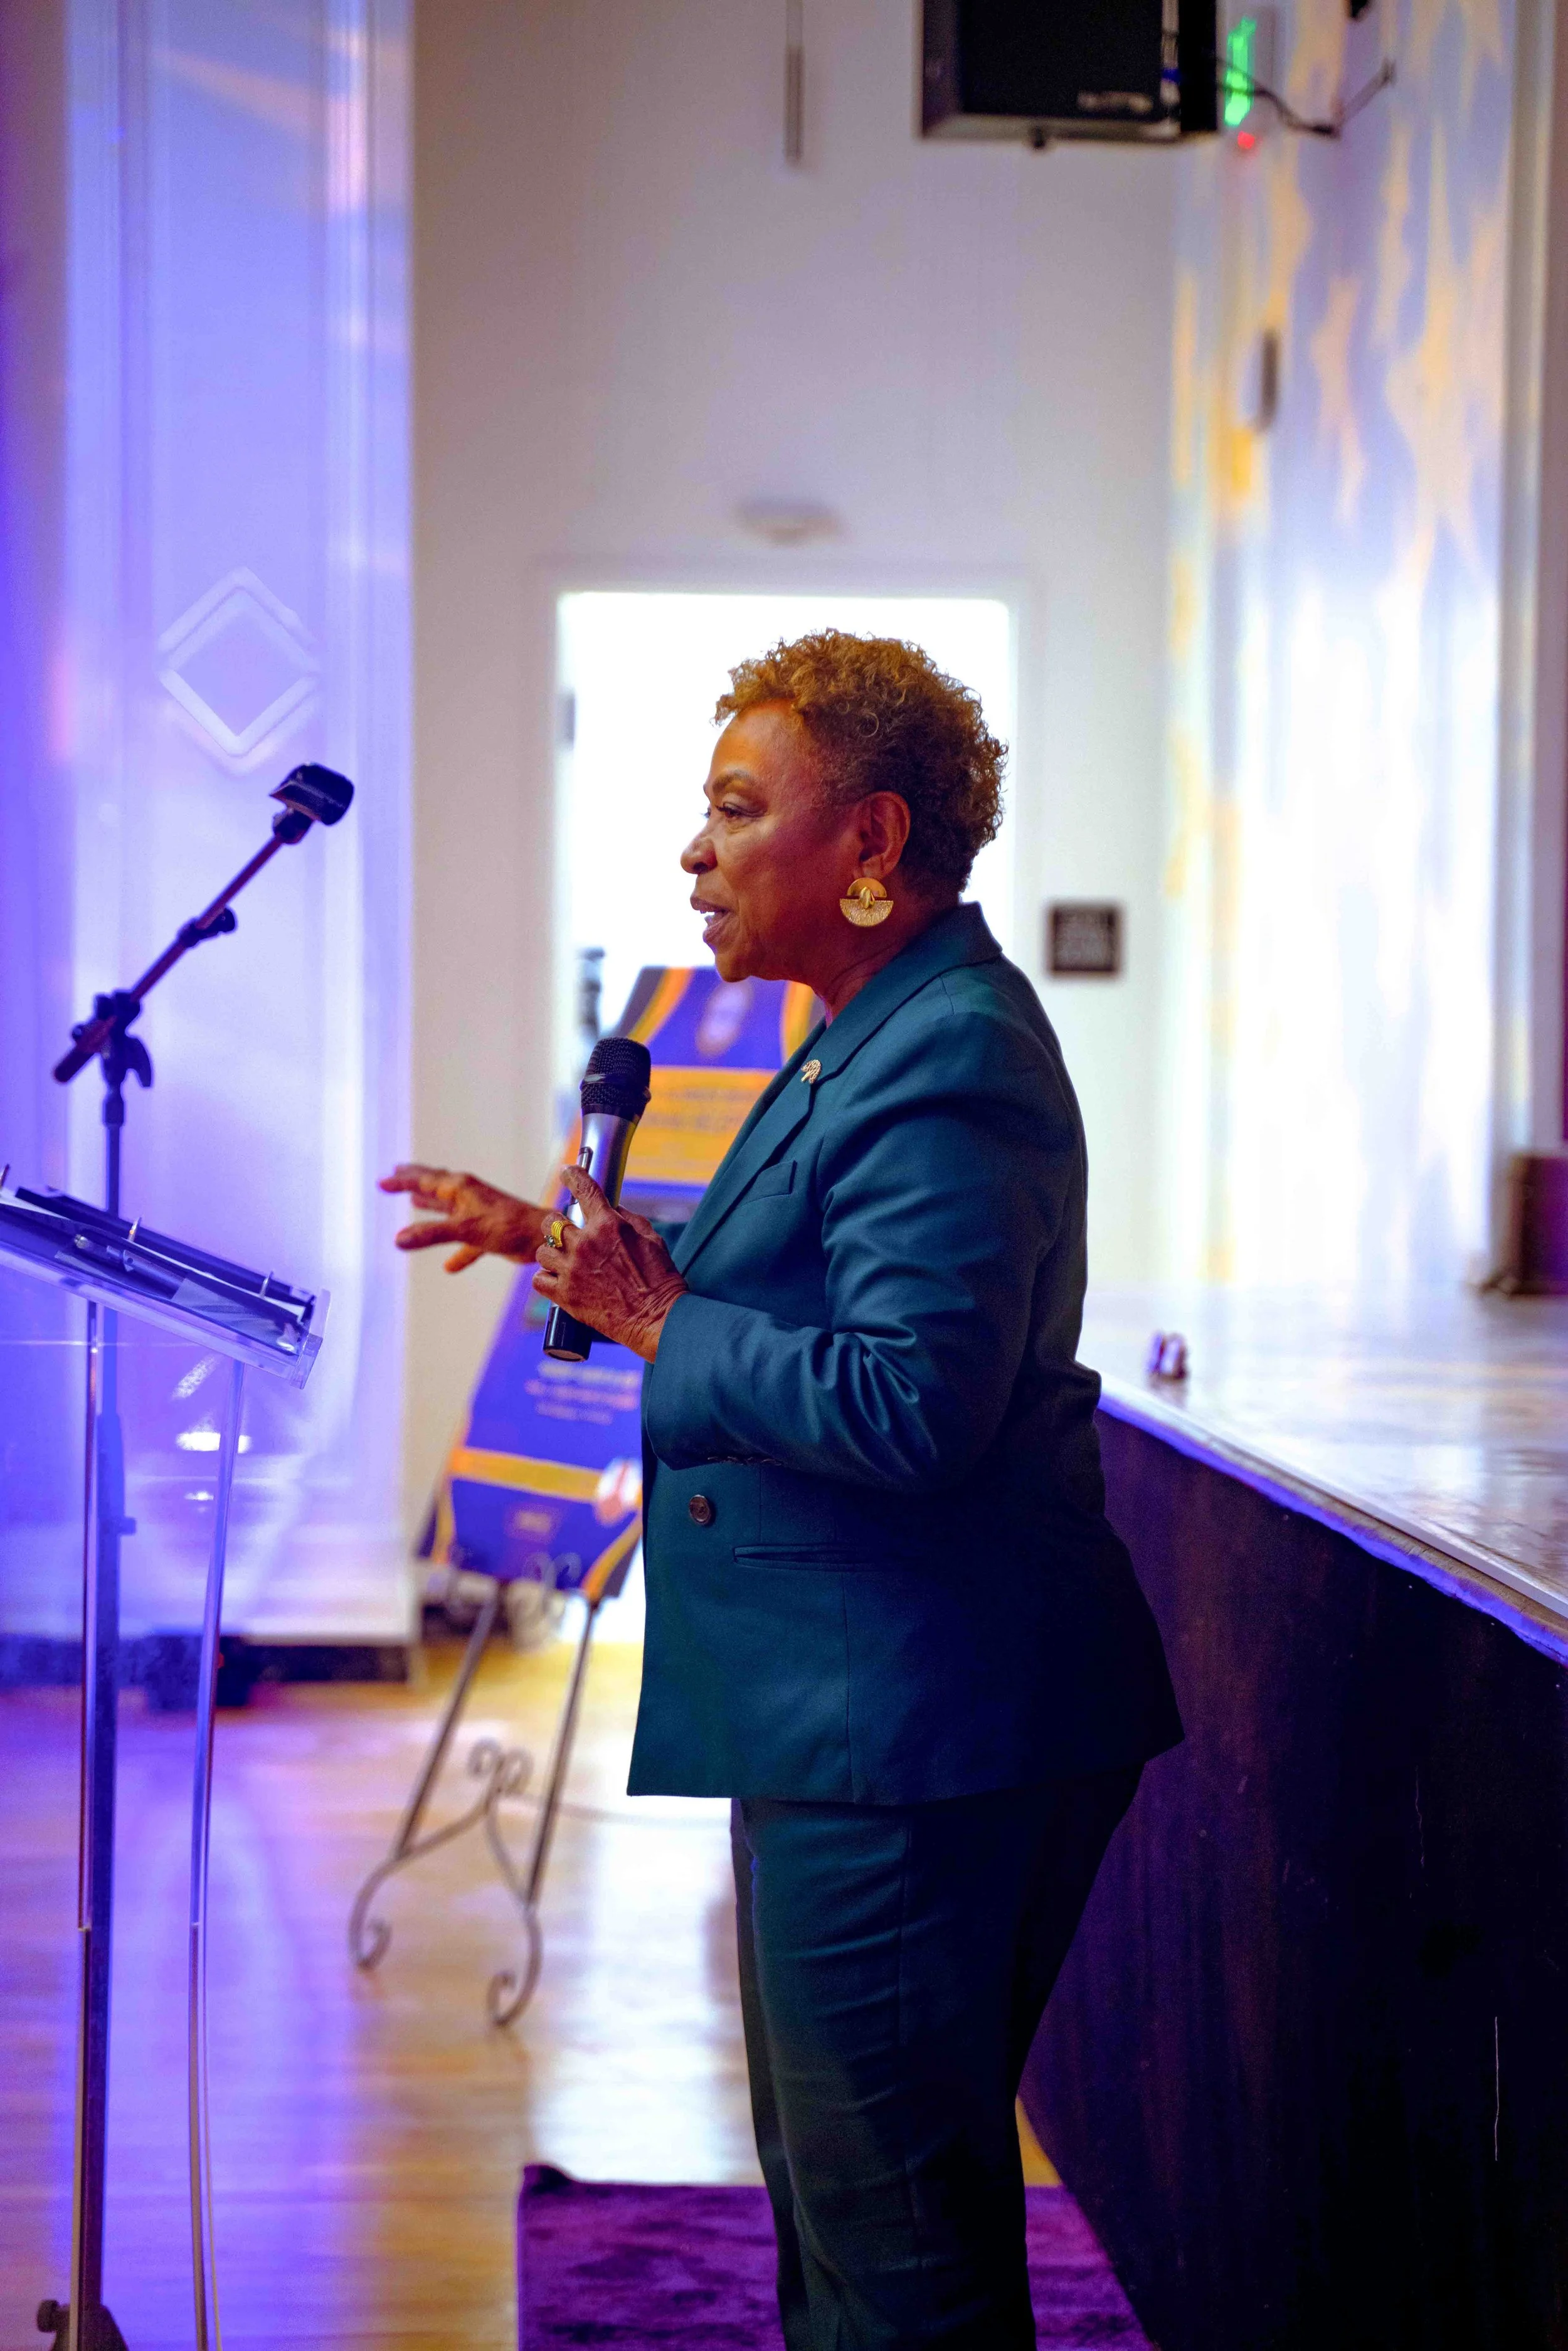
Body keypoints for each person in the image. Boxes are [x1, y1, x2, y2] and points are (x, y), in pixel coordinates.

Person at [382, 630, 1182, 2350]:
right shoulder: (863, 1032)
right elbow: (813, 1304)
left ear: (872, 844)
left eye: (738, 809)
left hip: (916, 1727)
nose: (695, 850)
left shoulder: (944, 1051)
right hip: (867, 1711)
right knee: (845, 2198)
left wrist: (652, 1314)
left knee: (894, 2249)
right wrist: (568, 1252)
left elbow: (912, 1403)